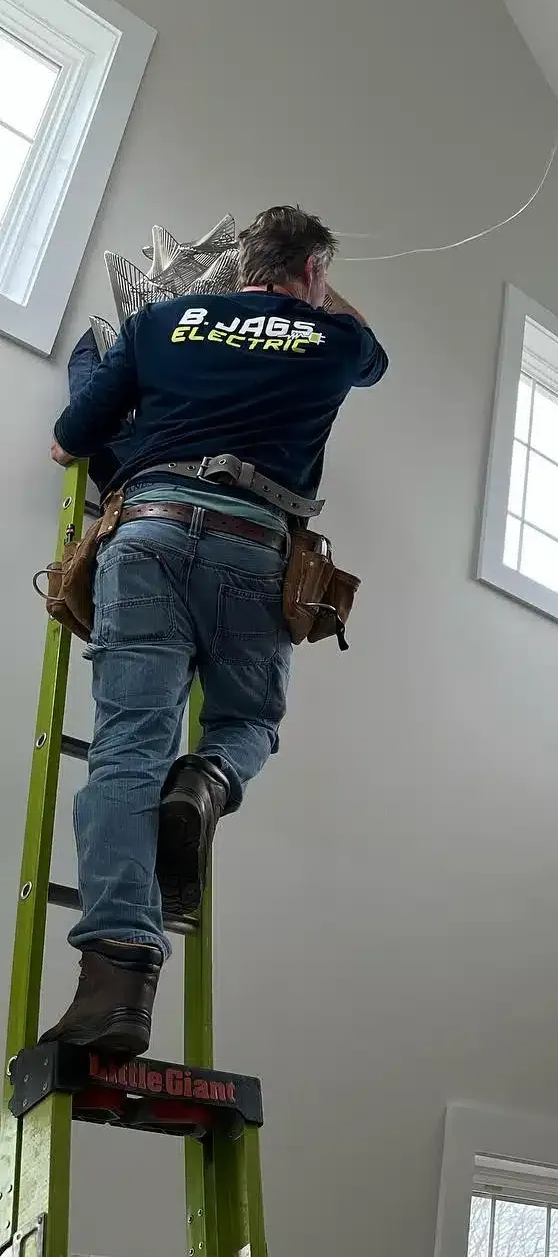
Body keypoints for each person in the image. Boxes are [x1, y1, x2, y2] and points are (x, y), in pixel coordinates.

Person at [41, 205, 388, 1056]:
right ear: (313, 273)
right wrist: (318, 292)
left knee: (127, 748)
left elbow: (67, 444)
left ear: (241, 264)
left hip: (148, 534)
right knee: (247, 723)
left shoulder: (162, 323)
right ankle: (204, 781)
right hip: (254, 546)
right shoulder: (334, 338)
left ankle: (116, 985)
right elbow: (374, 355)